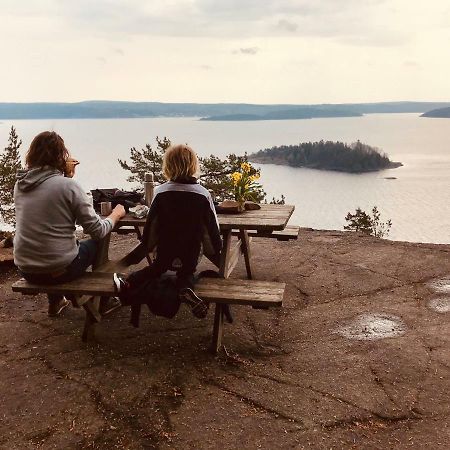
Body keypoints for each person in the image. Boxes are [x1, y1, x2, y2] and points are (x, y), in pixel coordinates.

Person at [14, 131, 126, 316]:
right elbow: (97, 230)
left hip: (26, 268)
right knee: (98, 244)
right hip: (58, 271)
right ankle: (102, 301)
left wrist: (64, 175)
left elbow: (50, 207)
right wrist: (115, 214)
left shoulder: (21, 185)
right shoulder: (67, 186)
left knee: (58, 247)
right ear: (61, 155)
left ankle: (57, 300)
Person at [114, 143, 222, 323]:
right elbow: (210, 232)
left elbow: (152, 229)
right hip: (191, 252)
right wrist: (215, 250)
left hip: (165, 251)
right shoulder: (203, 194)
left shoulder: (160, 192)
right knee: (187, 272)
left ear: (168, 166)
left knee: (155, 270)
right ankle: (185, 288)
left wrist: (147, 245)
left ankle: (128, 284)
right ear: (194, 166)